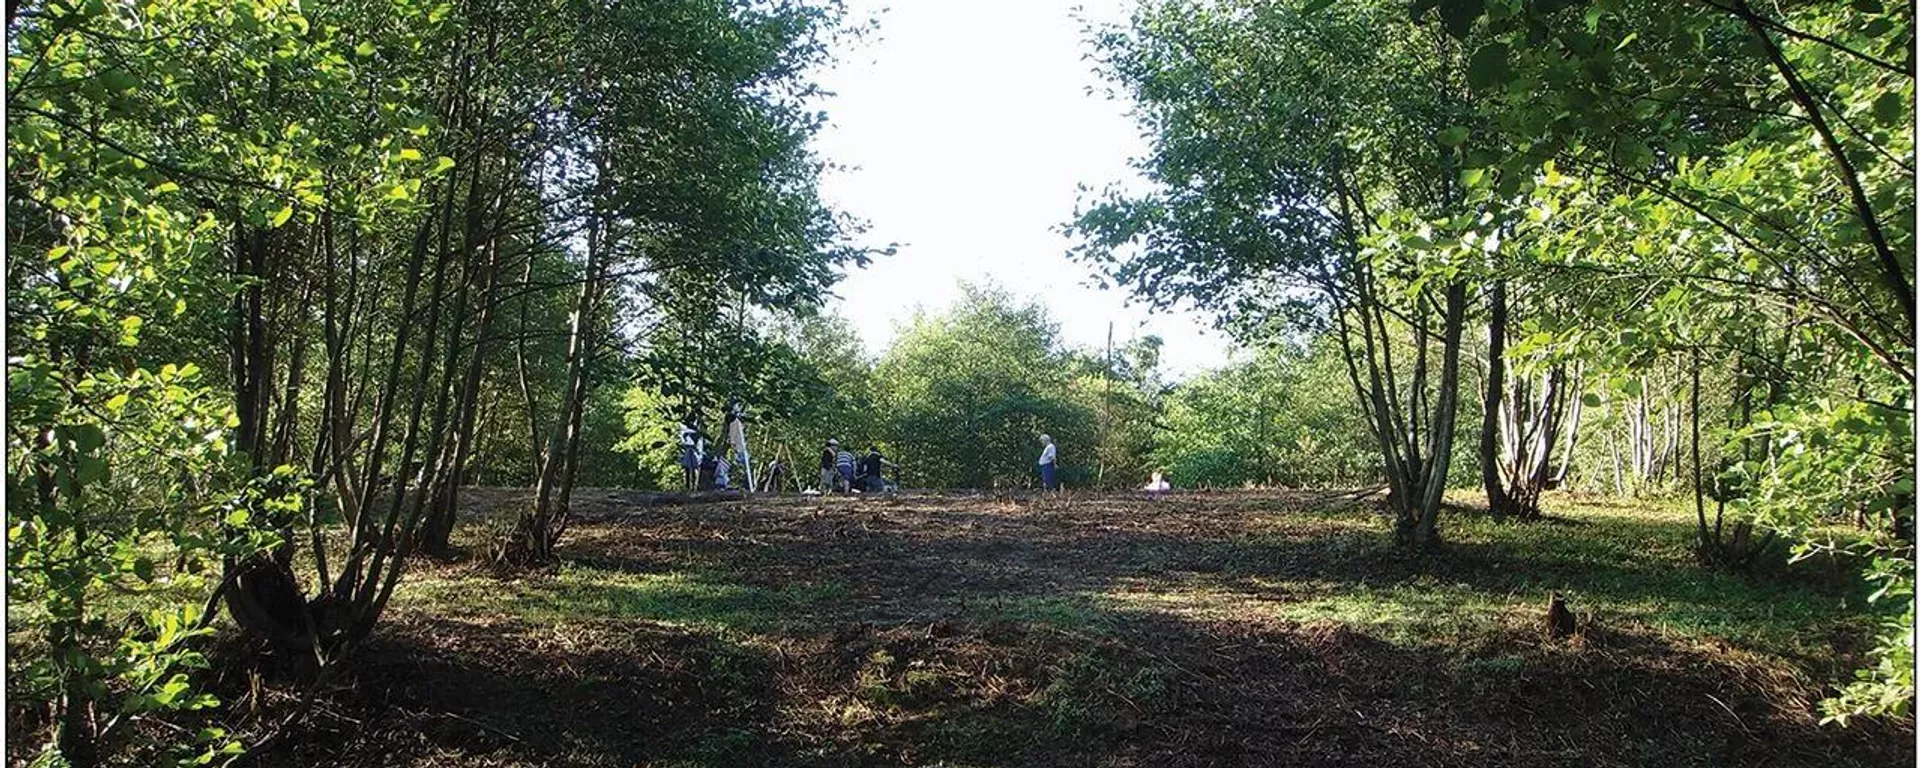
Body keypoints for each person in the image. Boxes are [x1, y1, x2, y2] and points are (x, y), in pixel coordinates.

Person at [725, 401, 753, 493]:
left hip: (740, 448)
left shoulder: (737, 423)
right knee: (743, 466)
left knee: (745, 466)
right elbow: (732, 438)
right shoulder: (734, 423)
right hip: (739, 449)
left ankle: (746, 484)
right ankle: (743, 484)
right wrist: (733, 448)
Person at [678, 412, 703, 492]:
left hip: (690, 450)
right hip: (690, 450)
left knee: (689, 469)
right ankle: (691, 487)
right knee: (691, 469)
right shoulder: (691, 429)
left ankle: (690, 487)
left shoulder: (686, 429)